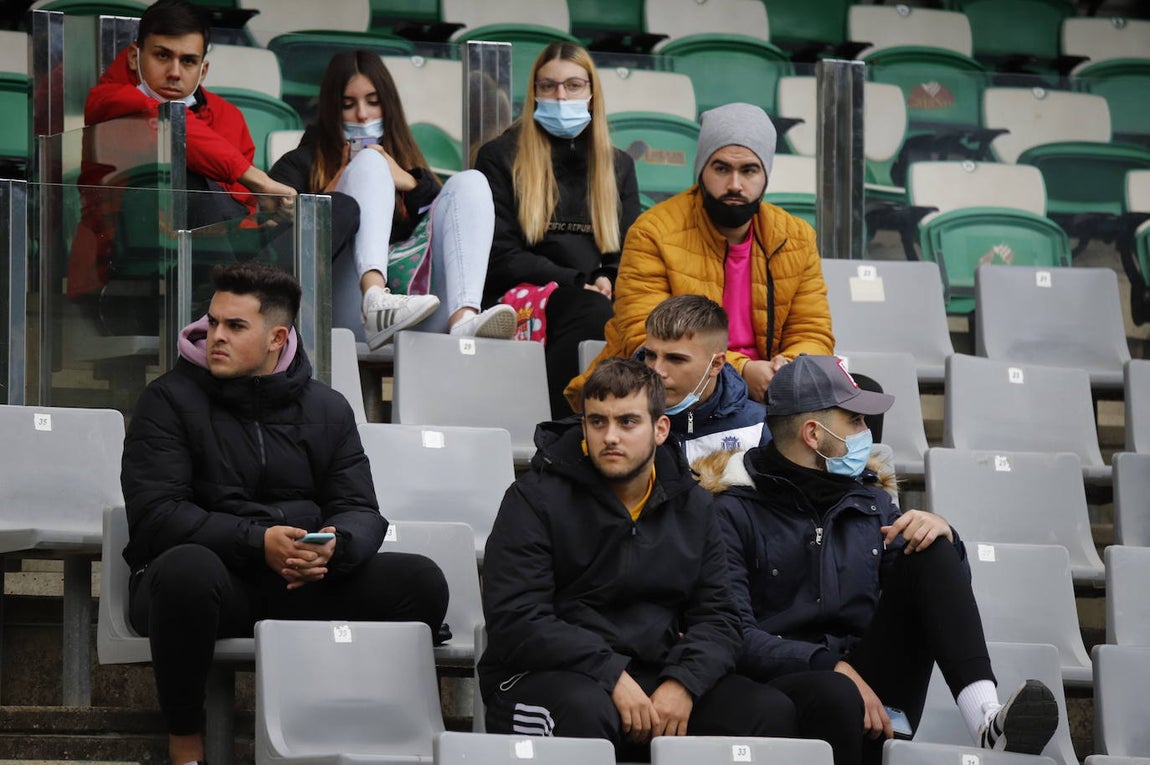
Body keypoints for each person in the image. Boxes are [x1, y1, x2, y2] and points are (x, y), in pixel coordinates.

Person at [120, 263, 449, 765]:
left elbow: (360, 508)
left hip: (298, 581)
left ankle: (347, 725)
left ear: (277, 337)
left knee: (421, 581)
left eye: (234, 326)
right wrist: (258, 542)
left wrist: (334, 548)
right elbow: (157, 515)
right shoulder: (167, 400)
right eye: (212, 323)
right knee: (187, 570)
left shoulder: (329, 408)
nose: (215, 337)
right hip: (208, 582)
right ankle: (186, 739)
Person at [479, 358, 863, 762]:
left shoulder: (692, 503)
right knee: (585, 712)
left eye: (627, 422)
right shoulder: (533, 499)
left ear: (661, 429)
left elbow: (721, 617)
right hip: (543, 677)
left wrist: (684, 682)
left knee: (764, 712)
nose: (610, 437)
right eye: (597, 422)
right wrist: (609, 673)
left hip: (653, 672)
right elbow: (517, 617)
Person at [700, 355, 1059, 765]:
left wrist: (946, 539)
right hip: (787, 687)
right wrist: (831, 666)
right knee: (835, 693)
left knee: (930, 541)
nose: (867, 434)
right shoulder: (732, 510)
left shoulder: (873, 503)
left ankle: (986, 720)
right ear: (813, 434)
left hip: (874, 687)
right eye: (855, 421)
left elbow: (929, 594)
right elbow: (733, 633)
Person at [565, 102, 835, 411]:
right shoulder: (654, 231)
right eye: (721, 168)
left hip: (770, 389)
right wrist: (743, 371)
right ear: (701, 170)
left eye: (749, 170)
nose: (735, 184)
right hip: (675, 387)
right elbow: (644, 337)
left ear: (766, 175)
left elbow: (812, 331)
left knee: (860, 392)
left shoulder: (796, 237)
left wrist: (785, 370)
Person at [270, 50, 515, 348]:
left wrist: (409, 183)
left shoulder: (407, 164)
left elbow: (448, 229)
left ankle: (464, 318)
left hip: (418, 312)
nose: (363, 114)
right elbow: (278, 251)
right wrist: (339, 183)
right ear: (331, 111)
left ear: (389, 106)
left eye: (373, 102)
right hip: (338, 313)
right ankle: (375, 298)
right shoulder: (298, 164)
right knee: (370, 162)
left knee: (472, 181)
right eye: (348, 105)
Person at [474, 42, 640, 417]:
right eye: (548, 86)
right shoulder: (500, 156)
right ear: (534, 92)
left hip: (591, 292)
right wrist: (576, 280)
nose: (560, 96)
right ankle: (559, 429)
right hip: (520, 294)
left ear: (592, 93)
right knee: (591, 312)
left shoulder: (619, 165)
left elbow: (628, 251)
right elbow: (500, 255)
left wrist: (607, 277)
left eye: (573, 86)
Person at [640, 295, 767, 466]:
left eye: (675, 359)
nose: (657, 370)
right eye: (650, 355)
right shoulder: (617, 418)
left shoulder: (757, 428)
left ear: (716, 364)